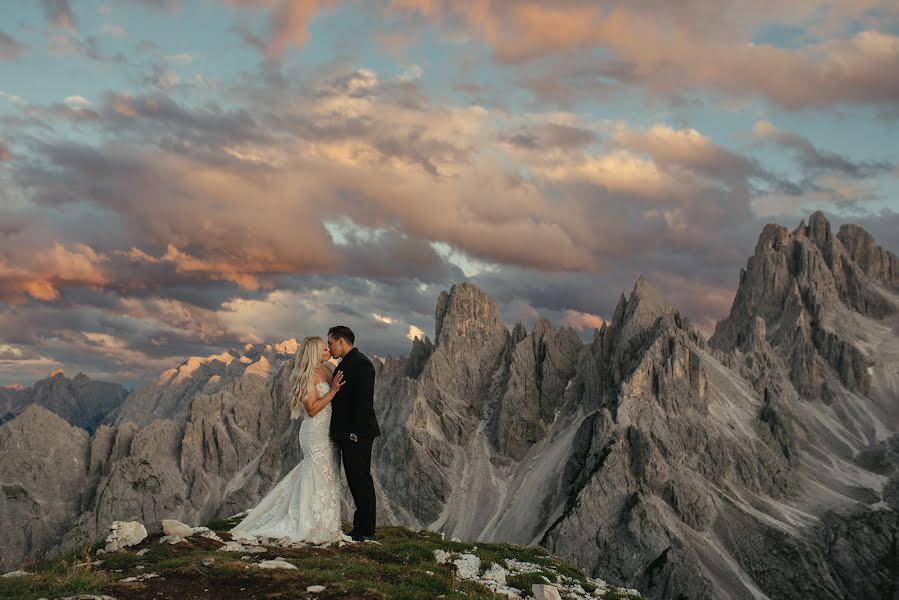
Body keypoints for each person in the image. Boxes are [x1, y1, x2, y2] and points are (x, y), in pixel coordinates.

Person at [230, 336, 346, 544]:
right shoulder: (306, 375)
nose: (328, 350)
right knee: (315, 473)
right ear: (314, 353)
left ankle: (326, 523)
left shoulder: (329, 370)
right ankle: (307, 522)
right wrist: (334, 391)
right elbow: (311, 409)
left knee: (329, 474)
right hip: (315, 432)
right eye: (324, 349)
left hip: (329, 432)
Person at [327, 325, 380, 541]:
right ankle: (360, 528)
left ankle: (366, 531)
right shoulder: (347, 363)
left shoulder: (362, 364)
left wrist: (354, 433)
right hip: (348, 434)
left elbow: (364, 404)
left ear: (342, 341)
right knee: (355, 479)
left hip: (357, 435)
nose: (329, 348)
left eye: (330, 343)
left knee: (361, 480)